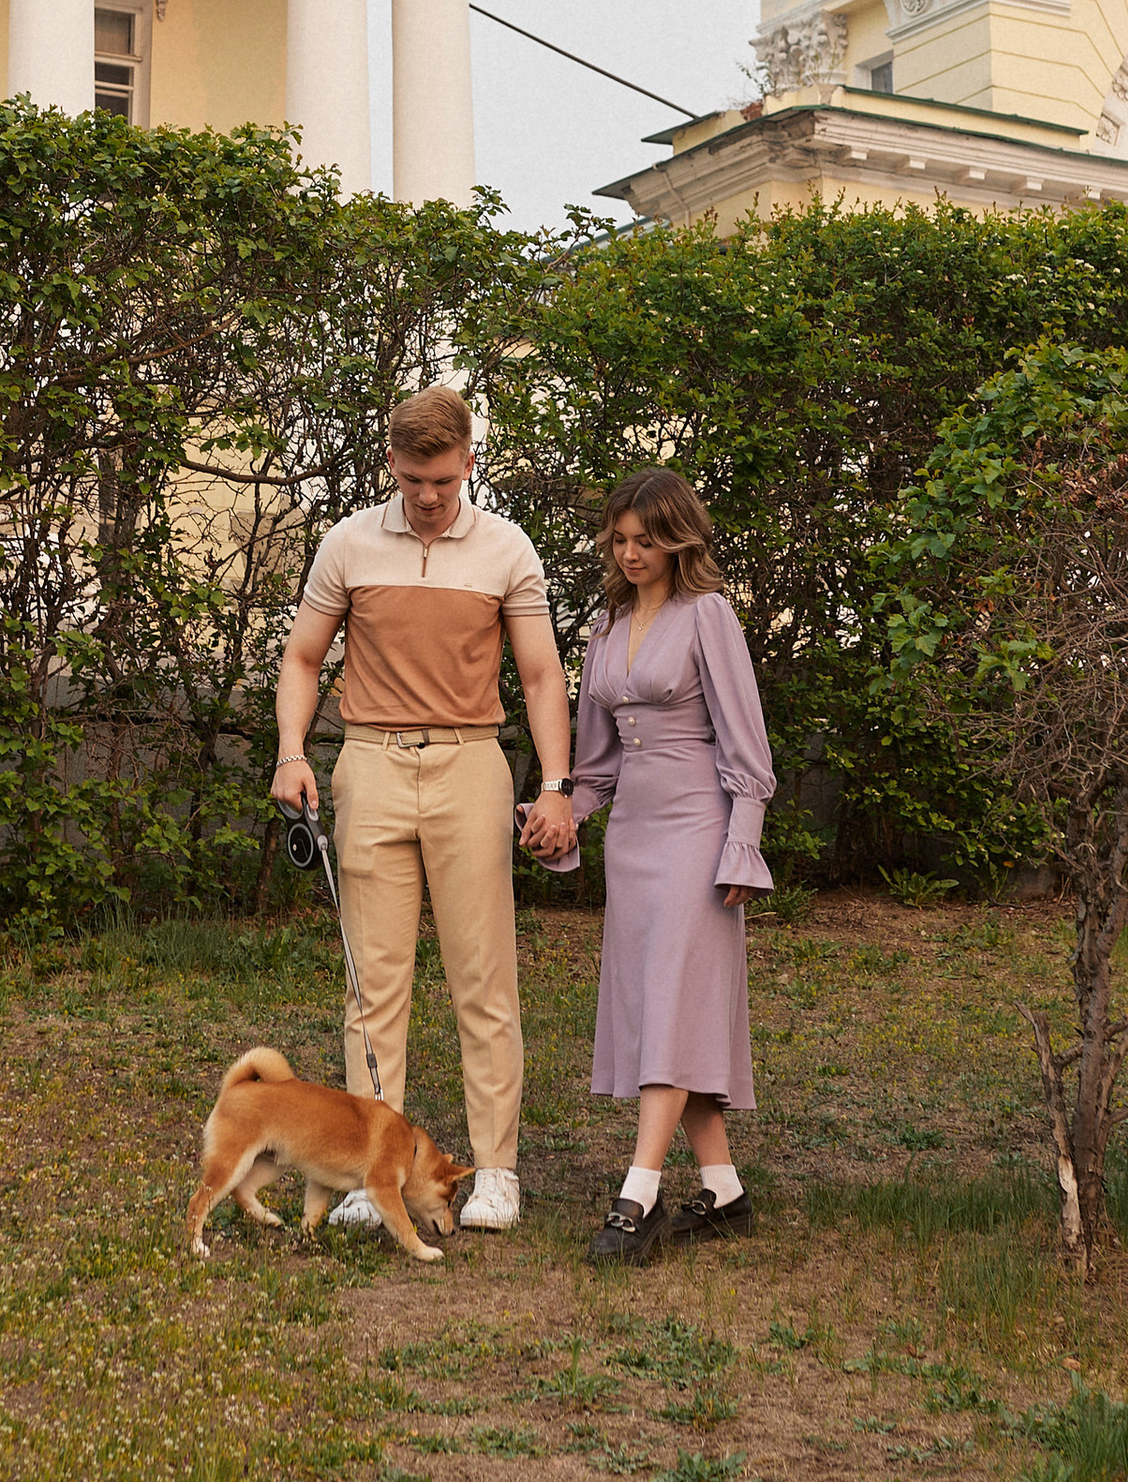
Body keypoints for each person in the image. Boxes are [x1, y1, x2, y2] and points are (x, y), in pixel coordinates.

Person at [273, 385, 573, 1233]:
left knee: (485, 982)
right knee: (374, 986)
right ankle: (375, 1175)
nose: (428, 496)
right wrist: (293, 752)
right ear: (393, 468)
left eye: (441, 479)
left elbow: (544, 675)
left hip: (471, 764)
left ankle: (499, 1174)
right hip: (368, 762)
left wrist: (555, 784)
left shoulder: (507, 550)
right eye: (412, 480)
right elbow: (301, 658)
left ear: (468, 462)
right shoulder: (349, 544)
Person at [525, 466, 774, 1261]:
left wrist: (744, 841)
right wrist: (560, 817)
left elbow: (749, 748)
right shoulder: (604, 625)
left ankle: (638, 1195)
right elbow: (595, 768)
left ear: (678, 540)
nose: (631, 554)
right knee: (661, 1003)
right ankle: (724, 1187)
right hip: (633, 835)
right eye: (621, 540)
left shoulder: (711, 616)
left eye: (647, 541)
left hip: (701, 829)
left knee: (671, 1000)